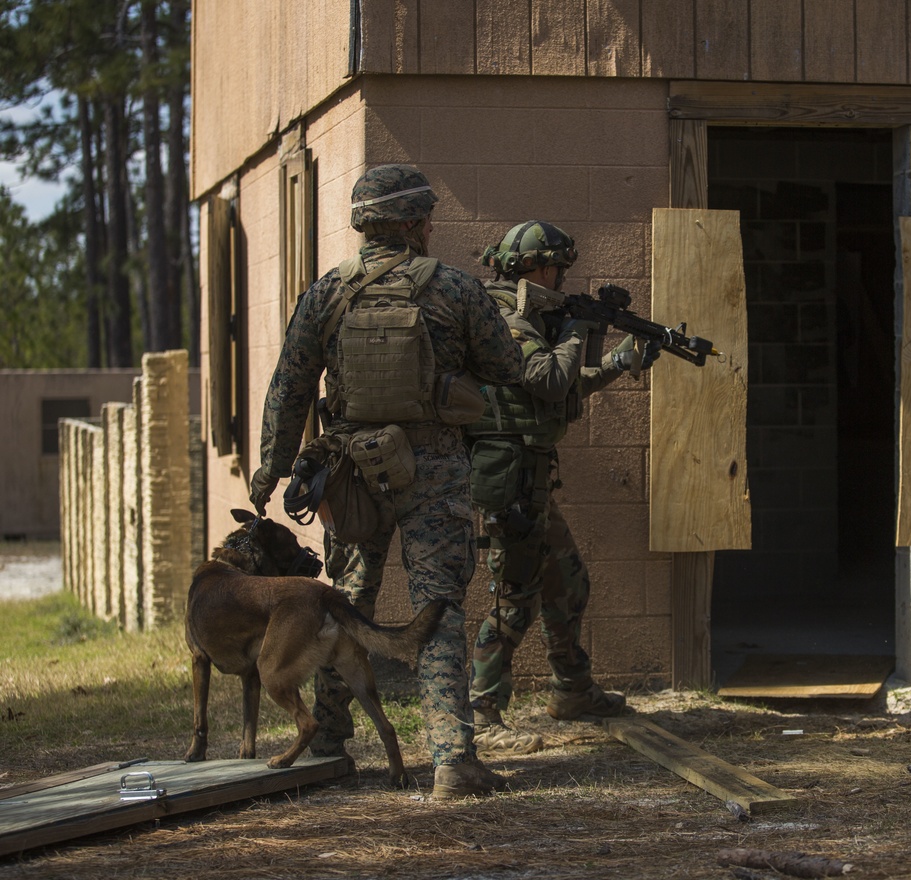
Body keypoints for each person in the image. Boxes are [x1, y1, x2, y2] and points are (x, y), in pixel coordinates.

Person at [248, 164, 524, 799]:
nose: (430, 225)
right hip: (434, 469)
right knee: (440, 606)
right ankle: (452, 759)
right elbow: (507, 367)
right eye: (427, 216)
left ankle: (325, 743)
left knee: (344, 603)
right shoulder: (453, 287)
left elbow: (289, 388)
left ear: (363, 223)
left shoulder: (326, 293)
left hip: (352, 473)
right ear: (413, 224)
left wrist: (272, 465)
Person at [464, 220, 659, 754]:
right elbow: (549, 378)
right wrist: (575, 327)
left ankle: (572, 689)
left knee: (567, 581)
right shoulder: (503, 317)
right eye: (557, 267)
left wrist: (619, 361)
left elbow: (563, 389)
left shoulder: (531, 318)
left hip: (532, 476)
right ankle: (480, 714)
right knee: (514, 596)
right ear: (535, 267)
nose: (561, 277)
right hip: (509, 478)